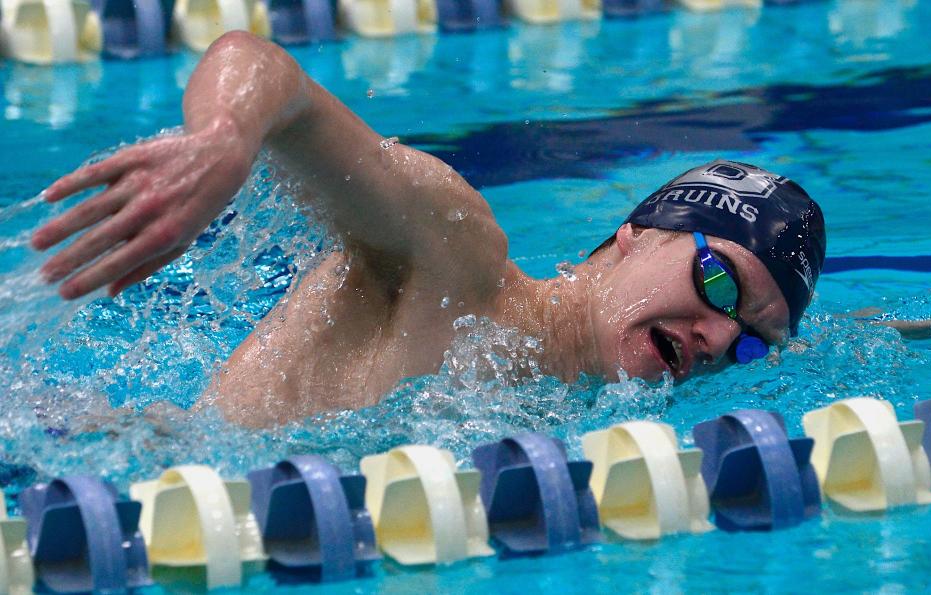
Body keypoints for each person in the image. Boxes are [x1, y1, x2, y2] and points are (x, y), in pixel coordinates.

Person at [30, 32, 825, 427]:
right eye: (718, 279)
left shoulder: (568, 409)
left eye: (750, 339)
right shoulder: (456, 259)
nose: (719, 340)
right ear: (635, 233)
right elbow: (262, 67)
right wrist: (224, 141)